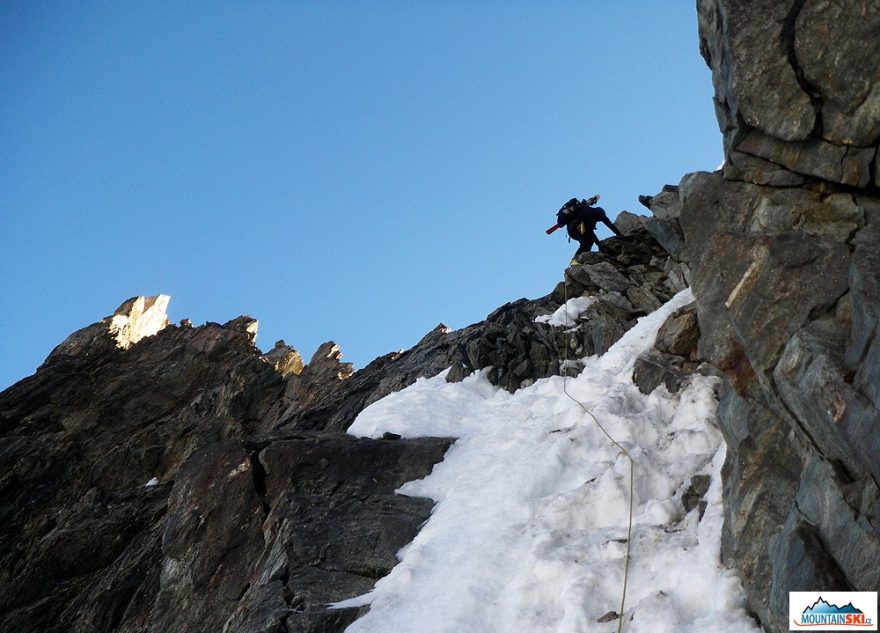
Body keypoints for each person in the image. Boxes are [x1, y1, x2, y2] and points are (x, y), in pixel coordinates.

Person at [546, 195, 621, 258]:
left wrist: (617, 233)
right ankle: (576, 259)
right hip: (575, 230)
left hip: (579, 228)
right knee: (587, 241)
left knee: (588, 241)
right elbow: (590, 232)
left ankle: (577, 258)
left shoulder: (595, 213)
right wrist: (600, 245)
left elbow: (607, 224)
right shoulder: (589, 214)